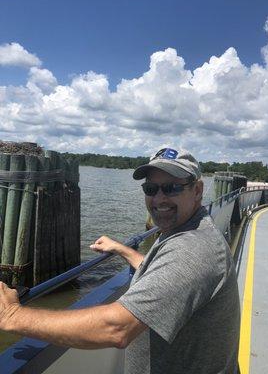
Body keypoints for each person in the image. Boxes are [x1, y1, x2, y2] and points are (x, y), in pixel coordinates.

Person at [0, 147, 240, 374]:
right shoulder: (187, 229)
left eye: (172, 188)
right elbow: (162, 272)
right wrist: (123, 250)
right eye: (151, 189)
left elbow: (117, 329)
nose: (159, 199)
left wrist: (12, 315)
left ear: (197, 190)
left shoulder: (192, 249)